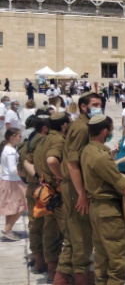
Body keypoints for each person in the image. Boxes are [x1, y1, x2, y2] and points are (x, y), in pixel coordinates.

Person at [80, 115, 125, 285]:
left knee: (102, 257)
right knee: (119, 260)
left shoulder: (87, 150)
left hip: (97, 209)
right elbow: (124, 187)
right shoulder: (100, 157)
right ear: (105, 131)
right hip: (109, 212)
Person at [61, 91, 102, 284]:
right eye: (94, 104)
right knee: (82, 236)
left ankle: (62, 276)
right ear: (84, 107)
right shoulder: (82, 128)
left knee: (74, 235)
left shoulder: (85, 126)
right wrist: (81, 194)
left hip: (75, 186)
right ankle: (81, 278)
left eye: (99, 104)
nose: (98, 107)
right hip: (76, 188)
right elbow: (72, 163)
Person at [34, 112, 71, 283]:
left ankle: (51, 269)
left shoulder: (43, 140)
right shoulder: (58, 140)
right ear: (63, 125)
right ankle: (62, 276)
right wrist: (62, 177)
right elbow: (51, 161)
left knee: (50, 233)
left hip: (47, 194)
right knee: (71, 235)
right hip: (58, 193)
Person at [19, 110, 51, 274]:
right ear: (45, 128)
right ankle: (48, 260)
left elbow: (21, 171)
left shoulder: (26, 144)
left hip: (32, 188)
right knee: (50, 226)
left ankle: (37, 258)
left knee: (35, 225)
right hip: (46, 189)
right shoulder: (46, 144)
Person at [0, 128, 25, 241]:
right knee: (23, 205)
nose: (21, 138)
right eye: (19, 136)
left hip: (9, 180)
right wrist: (25, 172)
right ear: (12, 137)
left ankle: (8, 229)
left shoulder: (8, 149)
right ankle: (7, 229)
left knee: (11, 207)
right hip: (12, 181)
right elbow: (12, 170)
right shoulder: (10, 151)